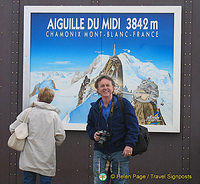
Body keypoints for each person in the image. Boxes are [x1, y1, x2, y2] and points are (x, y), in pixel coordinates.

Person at [86, 75, 139, 184]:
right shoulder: (94, 108)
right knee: (100, 180)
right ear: (98, 90)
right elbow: (89, 126)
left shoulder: (124, 104)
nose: (105, 88)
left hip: (120, 151)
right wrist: (94, 135)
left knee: (120, 181)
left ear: (113, 88)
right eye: (102, 86)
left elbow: (133, 126)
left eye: (108, 85)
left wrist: (129, 145)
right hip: (100, 152)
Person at [9, 87, 66, 184]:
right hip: (46, 158)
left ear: (38, 98)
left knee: (28, 181)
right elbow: (61, 136)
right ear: (51, 99)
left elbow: (12, 128)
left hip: (28, 158)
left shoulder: (28, 112)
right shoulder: (54, 116)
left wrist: (24, 135)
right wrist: (53, 143)